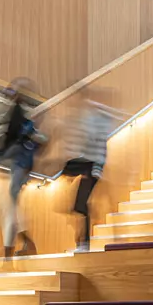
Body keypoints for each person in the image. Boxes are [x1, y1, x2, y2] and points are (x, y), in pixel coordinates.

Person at [0, 79, 46, 261]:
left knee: (11, 208)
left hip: (19, 166)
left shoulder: (19, 117)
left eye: (11, 92)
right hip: (18, 166)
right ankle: (20, 247)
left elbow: (13, 142)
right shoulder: (20, 117)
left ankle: (13, 252)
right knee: (11, 208)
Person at [60, 88, 113, 252]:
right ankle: (83, 242)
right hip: (87, 163)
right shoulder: (85, 117)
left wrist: (95, 170)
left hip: (92, 164)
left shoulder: (94, 117)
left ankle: (84, 243)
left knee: (81, 205)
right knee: (79, 205)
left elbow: (97, 144)